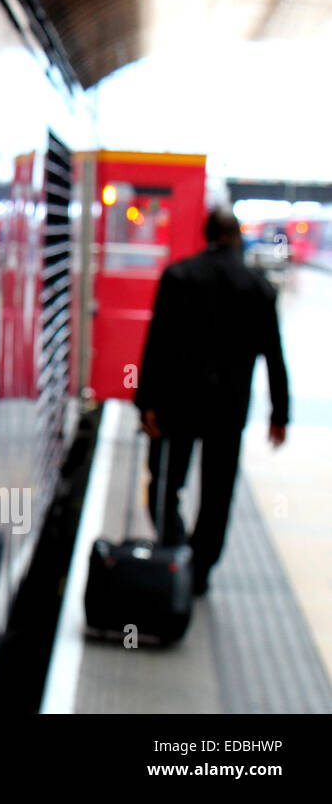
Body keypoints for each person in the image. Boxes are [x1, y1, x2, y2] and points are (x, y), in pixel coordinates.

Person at [134, 206, 289, 595]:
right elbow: (274, 355)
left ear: (206, 235)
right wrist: (279, 415)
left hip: (177, 404)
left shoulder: (178, 276)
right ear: (237, 238)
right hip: (228, 409)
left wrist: (145, 403)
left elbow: (156, 345)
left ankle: (172, 547)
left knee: (166, 483)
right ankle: (199, 569)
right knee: (218, 493)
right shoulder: (259, 287)